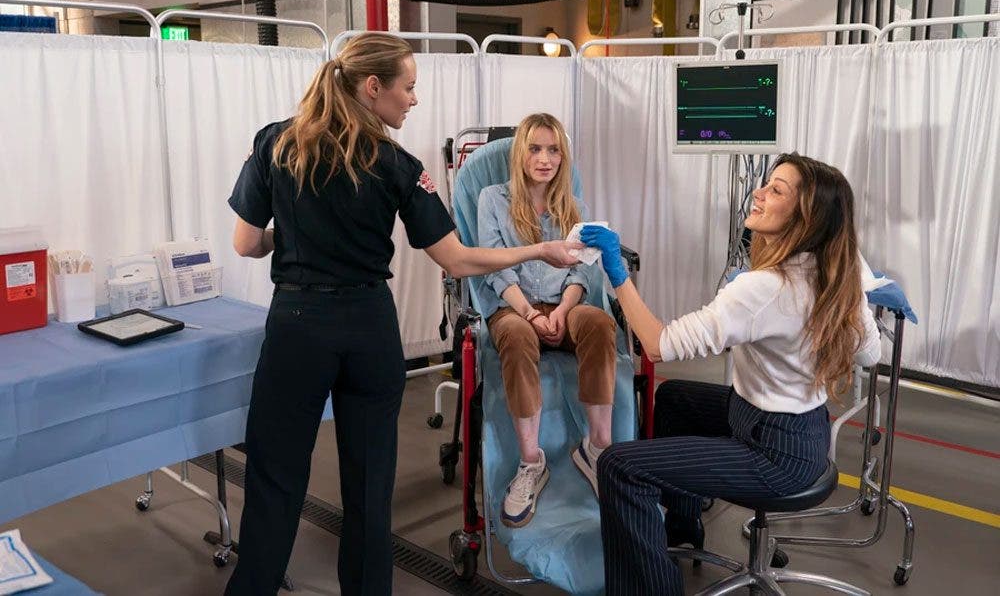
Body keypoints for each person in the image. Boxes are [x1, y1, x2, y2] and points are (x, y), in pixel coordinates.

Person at [224, 33, 581, 596]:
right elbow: (457, 259)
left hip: (297, 324)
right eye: (408, 87)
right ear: (373, 88)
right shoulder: (397, 165)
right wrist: (537, 249)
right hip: (368, 328)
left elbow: (245, 244)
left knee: (275, 480)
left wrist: (286, 237)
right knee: (368, 489)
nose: (413, 99)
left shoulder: (276, 144)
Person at [580, 153, 882, 596]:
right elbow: (871, 354)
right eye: (767, 183)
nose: (757, 193)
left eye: (776, 190)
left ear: (805, 220)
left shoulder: (764, 290)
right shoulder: (838, 273)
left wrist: (616, 272)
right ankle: (682, 532)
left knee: (620, 468)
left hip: (775, 455)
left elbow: (658, 344)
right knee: (674, 400)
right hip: (804, 434)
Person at [477, 113, 618, 528]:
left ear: (563, 156)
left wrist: (559, 312)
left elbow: (581, 271)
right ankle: (530, 463)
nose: (545, 158)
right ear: (520, 152)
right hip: (513, 307)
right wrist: (528, 313)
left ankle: (597, 448)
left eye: (553, 149)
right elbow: (495, 269)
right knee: (518, 336)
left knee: (600, 324)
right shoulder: (492, 200)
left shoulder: (576, 208)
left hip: (564, 305)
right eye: (535, 149)